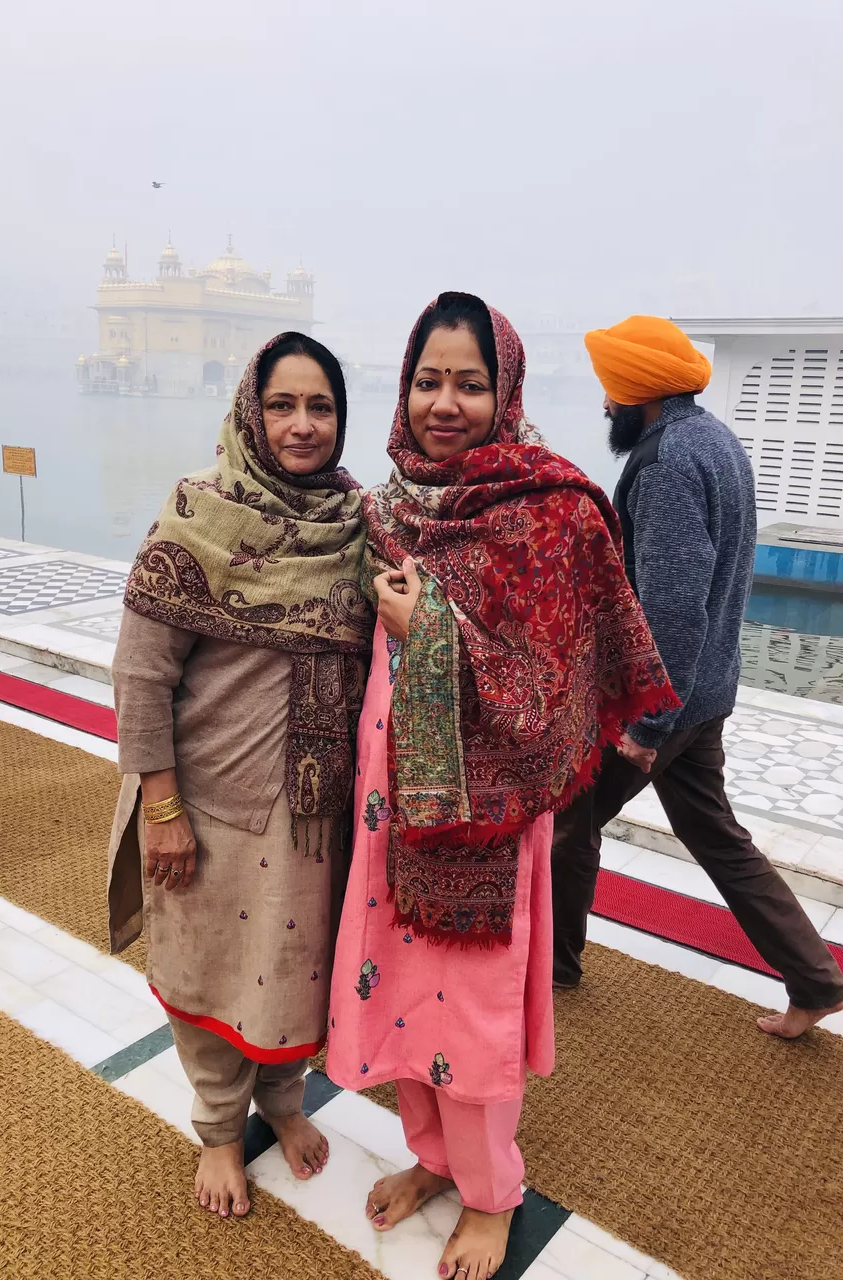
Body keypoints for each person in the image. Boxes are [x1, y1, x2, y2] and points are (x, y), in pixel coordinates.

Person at [327, 294, 676, 1280]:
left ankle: (492, 1192)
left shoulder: (548, 508)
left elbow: (554, 675)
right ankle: (435, 1160)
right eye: (428, 381)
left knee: (468, 1006)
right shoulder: (392, 505)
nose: (446, 402)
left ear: (506, 388)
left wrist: (423, 628)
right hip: (390, 795)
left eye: (470, 383)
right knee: (399, 988)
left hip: (489, 807)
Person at [107, 332, 372, 1219]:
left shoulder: (355, 525)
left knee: (296, 968)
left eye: (321, 406)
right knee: (212, 971)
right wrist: (163, 808)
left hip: (313, 812)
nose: (302, 425)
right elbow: (141, 675)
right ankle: (220, 1128)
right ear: (250, 414)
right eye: (283, 404)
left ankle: (284, 1102)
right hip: (207, 806)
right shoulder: (199, 513)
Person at [551, 314, 843, 1038]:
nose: (604, 408)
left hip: (667, 701)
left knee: (570, 816)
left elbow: (674, 605)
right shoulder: (713, 438)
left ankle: (553, 968)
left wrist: (647, 724)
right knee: (715, 834)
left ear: (635, 394)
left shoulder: (668, 463)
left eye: (609, 394)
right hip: (708, 689)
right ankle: (816, 978)